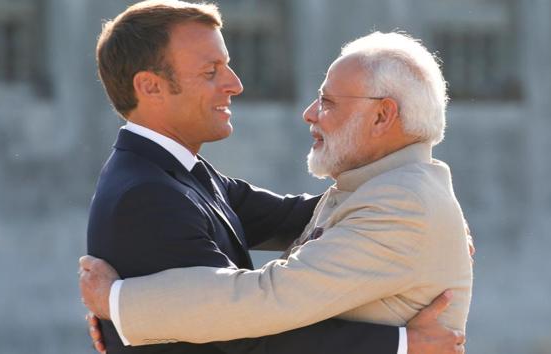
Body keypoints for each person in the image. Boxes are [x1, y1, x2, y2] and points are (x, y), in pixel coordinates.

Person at [80, 1, 466, 353]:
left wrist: (117, 303)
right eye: (211, 71)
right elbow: (244, 328)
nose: (235, 83)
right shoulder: (147, 192)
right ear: (150, 86)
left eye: (328, 102)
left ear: (383, 115)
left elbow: (275, 262)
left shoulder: (404, 206)